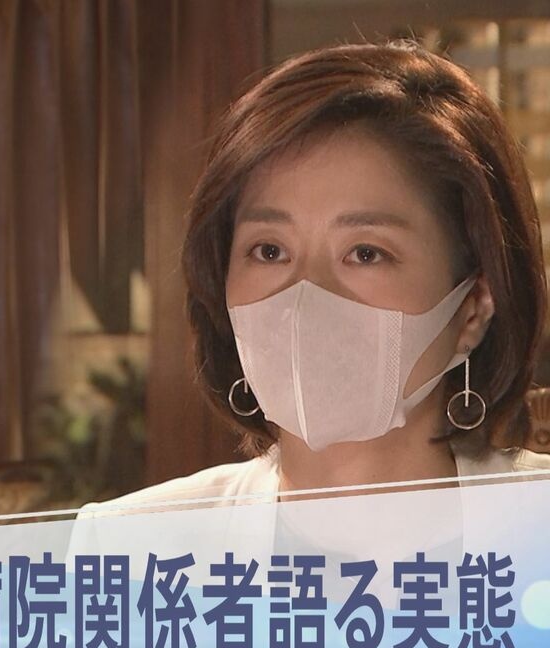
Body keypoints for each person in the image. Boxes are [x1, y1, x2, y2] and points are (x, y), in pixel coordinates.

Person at [82, 40, 550, 517]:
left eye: (365, 253)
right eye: (269, 251)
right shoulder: (130, 540)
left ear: (474, 307)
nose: (305, 295)